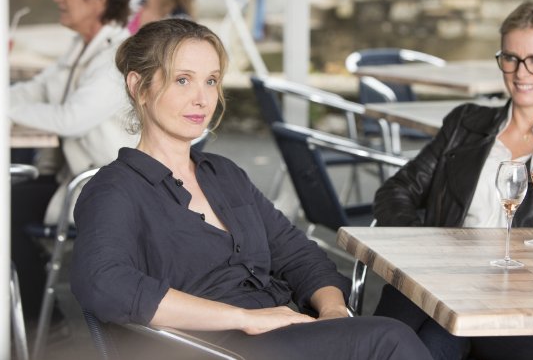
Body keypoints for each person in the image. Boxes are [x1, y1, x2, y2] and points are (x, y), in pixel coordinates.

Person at [70, 19, 433, 360]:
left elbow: (299, 255)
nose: (202, 99)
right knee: (391, 339)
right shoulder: (114, 189)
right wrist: (244, 318)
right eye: (182, 80)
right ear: (138, 87)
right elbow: (103, 284)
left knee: (414, 329)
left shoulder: (224, 174)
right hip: (213, 349)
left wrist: (334, 313)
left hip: (283, 336)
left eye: (211, 81)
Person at [372, 1, 533, 360]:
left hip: (519, 302)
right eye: (511, 58)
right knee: (421, 330)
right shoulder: (465, 123)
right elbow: (396, 191)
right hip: (438, 282)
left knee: (419, 337)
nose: (521, 72)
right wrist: (424, 249)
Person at [9, 0, 138, 326]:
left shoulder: (116, 59)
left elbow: (71, 119)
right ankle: (33, 313)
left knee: (5, 210)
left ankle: (43, 322)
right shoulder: (82, 48)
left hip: (104, 187)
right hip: (74, 176)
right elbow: (37, 90)